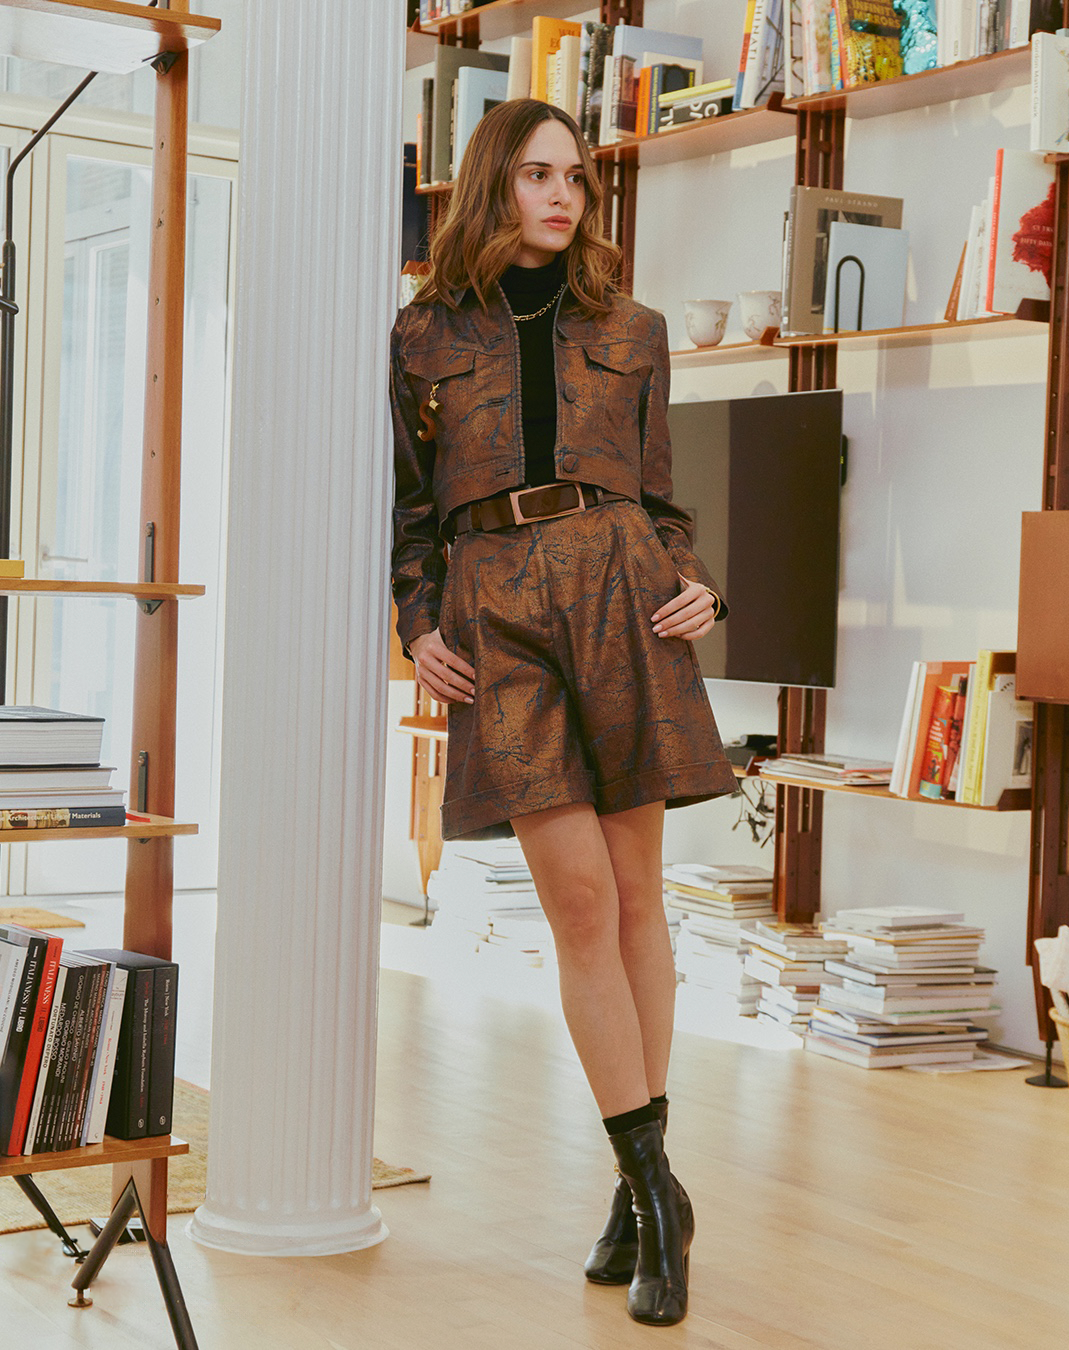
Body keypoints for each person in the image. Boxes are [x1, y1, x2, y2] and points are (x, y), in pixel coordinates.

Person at [389, 98, 736, 1328]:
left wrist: (697, 583)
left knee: (637, 896)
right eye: (537, 175)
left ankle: (636, 1193)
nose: (561, 196)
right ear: (494, 185)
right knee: (576, 900)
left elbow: (661, 495)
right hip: (498, 610)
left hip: (622, 593)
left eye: (576, 179)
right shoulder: (425, 331)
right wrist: (419, 622)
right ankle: (658, 1191)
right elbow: (413, 508)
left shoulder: (630, 328)